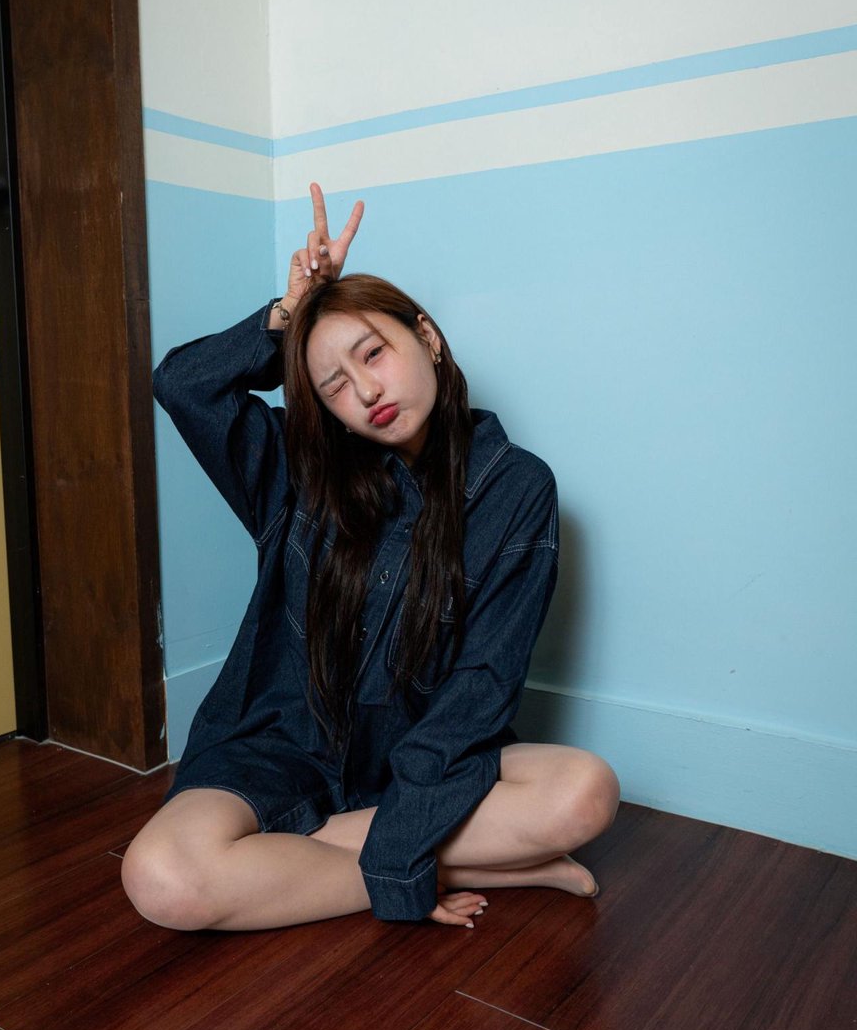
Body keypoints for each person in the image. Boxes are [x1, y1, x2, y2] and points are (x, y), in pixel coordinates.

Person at [121, 184, 620, 933]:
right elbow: (183, 385)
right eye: (334, 385)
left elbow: (482, 685)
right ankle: (446, 861)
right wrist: (288, 312)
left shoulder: (516, 487)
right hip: (278, 748)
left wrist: (408, 818)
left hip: (420, 762)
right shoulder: (297, 470)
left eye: (374, 354)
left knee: (584, 790)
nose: (364, 391)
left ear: (428, 336)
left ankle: (321, 854)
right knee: (161, 877)